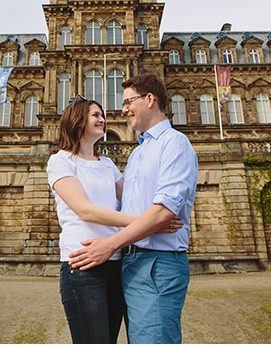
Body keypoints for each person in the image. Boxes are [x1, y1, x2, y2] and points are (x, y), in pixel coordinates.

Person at [69, 73, 198, 344]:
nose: (123, 109)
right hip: (131, 263)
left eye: (128, 101)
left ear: (150, 100)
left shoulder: (174, 143)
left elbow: (165, 211)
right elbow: (123, 205)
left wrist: (110, 244)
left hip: (158, 263)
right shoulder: (138, 152)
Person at [46, 95, 182, 344]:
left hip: (116, 263)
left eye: (102, 116)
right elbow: (85, 210)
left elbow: (134, 198)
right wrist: (149, 222)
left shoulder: (108, 164)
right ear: (77, 121)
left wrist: (159, 213)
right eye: (95, 115)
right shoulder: (60, 161)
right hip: (83, 265)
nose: (103, 119)